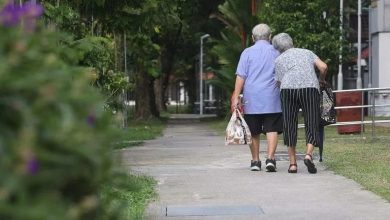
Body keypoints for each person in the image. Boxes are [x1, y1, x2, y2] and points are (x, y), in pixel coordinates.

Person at [272, 33, 327, 174]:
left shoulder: (278, 60)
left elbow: (278, 82)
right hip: (309, 88)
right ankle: (308, 155)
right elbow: (324, 67)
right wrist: (321, 80)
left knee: (289, 124)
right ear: (292, 42)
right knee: (312, 121)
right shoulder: (307, 52)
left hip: (288, 90)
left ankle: (292, 164)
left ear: (277, 48)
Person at [231, 24, 283, 172]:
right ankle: (270, 159)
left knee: (253, 130)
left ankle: (255, 161)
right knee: (272, 128)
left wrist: (236, 96)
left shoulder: (247, 53)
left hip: (251, 98)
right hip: (272, 97)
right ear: (270, 36)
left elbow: (241, 76)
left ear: (253, 38)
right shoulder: (276, 52)